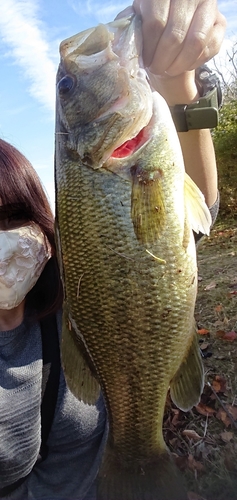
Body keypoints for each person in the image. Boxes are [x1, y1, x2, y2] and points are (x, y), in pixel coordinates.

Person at [0, 0, 226, 499]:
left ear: (41, 222)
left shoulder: (63, 287)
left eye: (12, 217)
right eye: (67, 88)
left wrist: (179, 78)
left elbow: (201, 209)